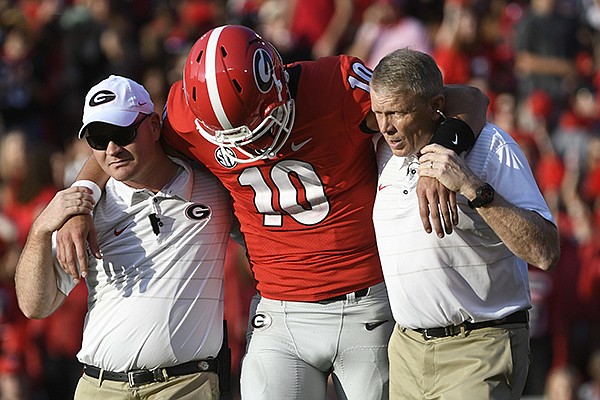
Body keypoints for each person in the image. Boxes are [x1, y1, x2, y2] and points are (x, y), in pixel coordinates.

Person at [55, 25, 488, 400]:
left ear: (278, 88)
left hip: (365, 304)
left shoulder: (334, 86)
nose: (246, 148)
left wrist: (440, 154)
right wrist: (81, 196)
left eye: (254, 131)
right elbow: (115, 143)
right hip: (277, 311)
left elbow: (465, 97)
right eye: (230, 138)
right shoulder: (186, 114)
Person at [14, 75, 233, 399]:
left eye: (123, 133)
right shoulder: (86, 210)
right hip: (99, 387)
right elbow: (35, 305)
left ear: (155, 126)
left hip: (185, 386)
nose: (112, 149)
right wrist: (40, 229)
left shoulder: (214, 189)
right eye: (99, 139)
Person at [370, 48, 560, 400]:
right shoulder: (382, 150)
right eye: (379, 112)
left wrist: (472, 187)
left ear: (435, 105)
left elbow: (545, 250)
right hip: (406, 351)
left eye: (397, 112)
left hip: (480, 346)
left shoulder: (492, 146)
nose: (386, 126)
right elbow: (471, 95)